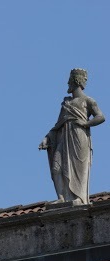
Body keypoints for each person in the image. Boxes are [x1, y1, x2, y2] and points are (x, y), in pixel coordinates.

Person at [39, 69, 105, 205]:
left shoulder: (88, 100)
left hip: (79, 136)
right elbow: (58, 124)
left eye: (69, 80)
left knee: (78, 168)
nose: (67, 83)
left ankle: (79, 198)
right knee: (56, 167)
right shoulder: (66, 103)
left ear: (75, 81)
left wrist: (86, 123)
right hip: (63, 137)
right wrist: (47, 137)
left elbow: (101, 117)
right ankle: (62, 197)